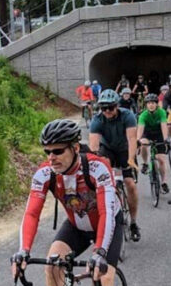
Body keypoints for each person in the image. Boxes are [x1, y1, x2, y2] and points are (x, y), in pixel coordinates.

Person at [11, 119, 123, 286]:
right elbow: (32, 213)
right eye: (47, 152)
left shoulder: (97, 168)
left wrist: (99, 251)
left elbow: (106, 213)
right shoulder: (45, 173)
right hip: (76, 226)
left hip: (107, 223)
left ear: (75, 148)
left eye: (58, 151)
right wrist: (23, 250)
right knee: (52, 268)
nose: (51, 158)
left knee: (103, 277)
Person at [89, 89, 141, 241]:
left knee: (130, 183)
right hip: (108, 149)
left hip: (125, 148)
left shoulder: (127, 115)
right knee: (103, 176)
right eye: (103, 108)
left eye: (110, 107)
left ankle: (133, 223)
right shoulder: (97, 120)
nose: (107, 111)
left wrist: (131, 160)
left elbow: (132, 139)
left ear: (116, 106)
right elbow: (93, 147)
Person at [137, 94, 170, 194]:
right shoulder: (143, 115)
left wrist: (165, 140)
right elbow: (140, 129)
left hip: (159, 134)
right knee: (143, 143)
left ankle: (164, 182)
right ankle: (146, 163)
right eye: (149, 103)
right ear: (146, 105)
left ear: (156, 104)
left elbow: (164, 126)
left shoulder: (161, 112)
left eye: (153, 103)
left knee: (161, 159)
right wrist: (138, 140)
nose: (151, 105)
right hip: (147, 134)